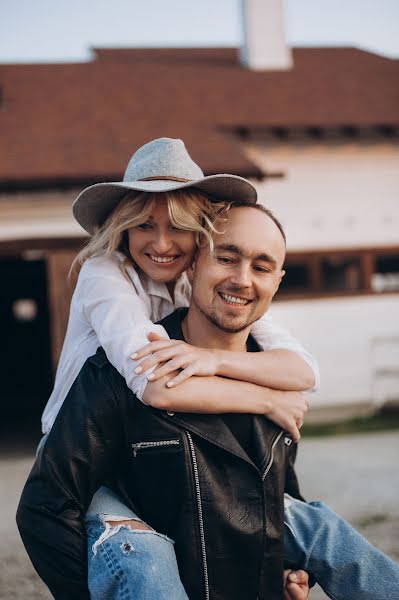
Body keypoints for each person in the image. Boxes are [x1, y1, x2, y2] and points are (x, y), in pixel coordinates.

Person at [18, 199, 399, 599]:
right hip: (83, 451)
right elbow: (46, 508)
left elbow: (281, 484)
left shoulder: (273, 378)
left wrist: (289, 567)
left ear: (277, 281)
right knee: (140, 551)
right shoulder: (124, 353)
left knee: (323, 527)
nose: (242, 279)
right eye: (227, 257)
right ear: (195, 264)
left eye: (262, 267)